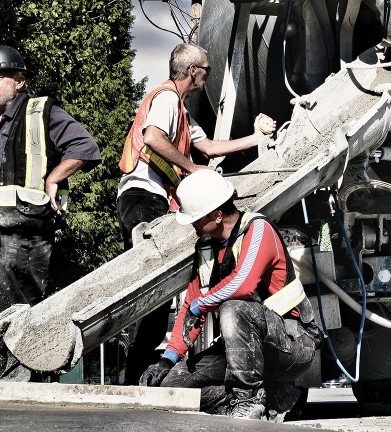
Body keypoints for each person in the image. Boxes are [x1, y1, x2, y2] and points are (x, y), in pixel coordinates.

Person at [116, 42, 275, 384]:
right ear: (193, 71)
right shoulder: (166, 99)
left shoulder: (183, 113)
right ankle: (134, 378)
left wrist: (255, 139)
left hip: (152, 198)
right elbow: (153, 137)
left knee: (158, 299)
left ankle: (137, 376)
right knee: (152, 292)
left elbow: (210, 148)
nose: (208, 75)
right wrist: (192, 169)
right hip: (143, 196)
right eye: (207, 69)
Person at [0, 44, 101, 380]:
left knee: (14, 308)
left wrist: (55, 177)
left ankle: (15, 389)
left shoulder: (38, 111)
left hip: (19, 226)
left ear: (20, 80)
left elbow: (86, 148)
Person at [138, 170, 322, 421]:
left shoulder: (258, 230)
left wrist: (202, 303)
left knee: (233, 307)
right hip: (244, 353)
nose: (191, 224)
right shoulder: (205, 248)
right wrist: (167, 359)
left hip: (293, 343)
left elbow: (242, 284)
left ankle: (249, 400)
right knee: (172, 387)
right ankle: (269, 399)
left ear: (216, 215)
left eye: (196, 218)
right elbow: (190, 304)